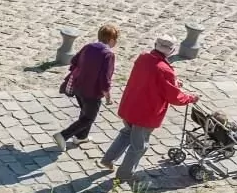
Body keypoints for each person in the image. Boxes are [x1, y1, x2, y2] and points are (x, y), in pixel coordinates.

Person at [100, 35, 199, 183]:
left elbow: (152, 80)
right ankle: (125, 174)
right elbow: (173, 97)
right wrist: (191, 98)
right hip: (145, 113)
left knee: (126, 134)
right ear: (171, 51)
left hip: (130, 106)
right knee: (139, 146)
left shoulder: (143, 57)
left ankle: (108, 159)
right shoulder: (165, 70)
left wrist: (174, 82)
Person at [53, 23, 119, 151]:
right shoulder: (108, 55)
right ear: (111, 40)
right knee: (88, 118)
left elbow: (74, 61)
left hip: (78, 86)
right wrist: (108, 97)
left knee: (85, 113)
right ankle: (62, 135)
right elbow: (105, 79)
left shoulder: (88, 46)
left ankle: (81, 137)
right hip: (92, 92)